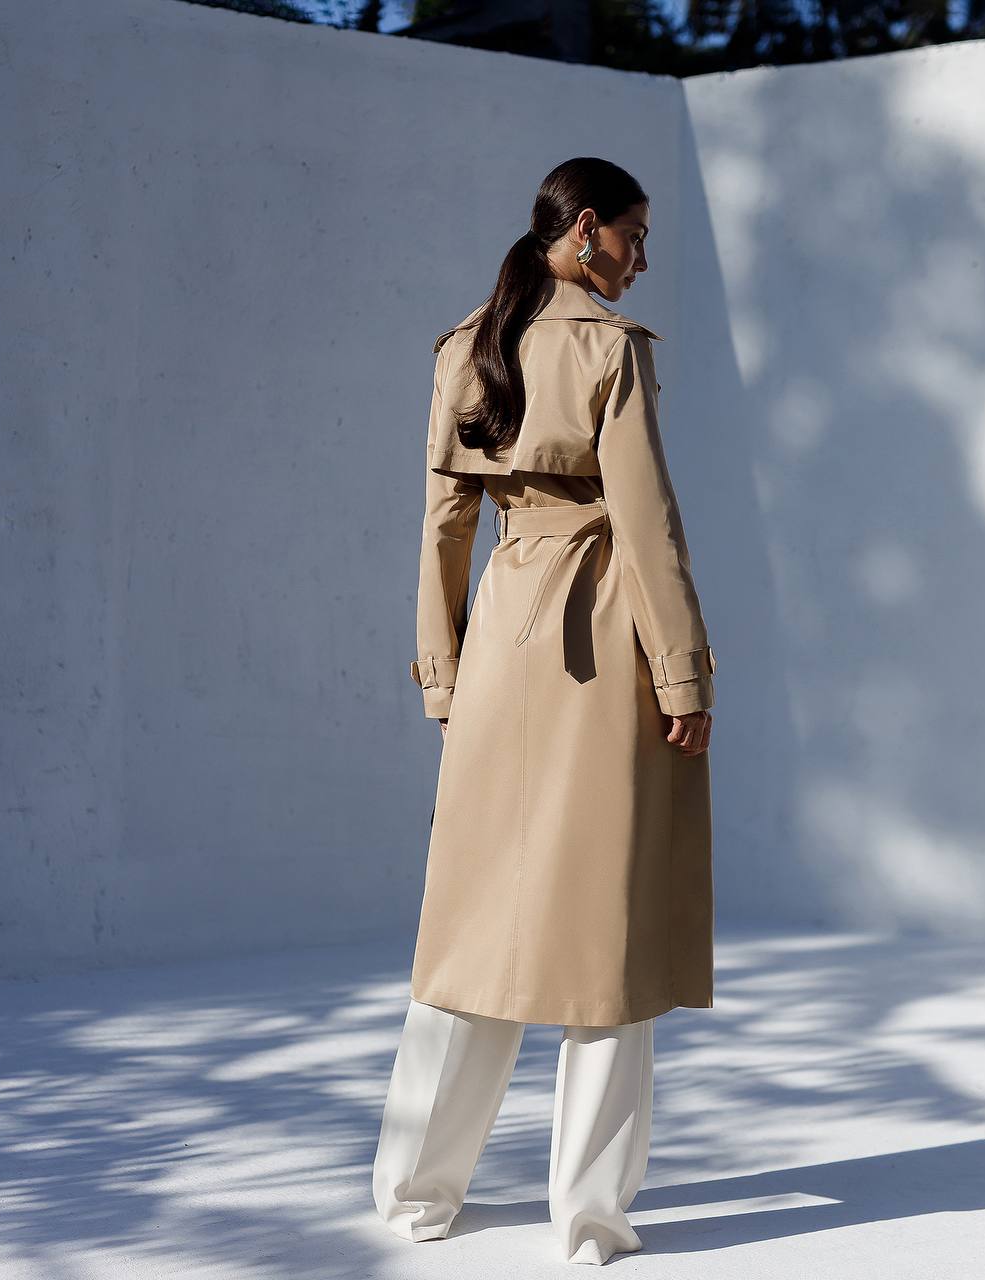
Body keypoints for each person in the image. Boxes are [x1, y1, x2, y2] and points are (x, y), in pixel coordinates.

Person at [373, 156, 716, 1266]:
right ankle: (586, 1221)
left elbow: (439, 528)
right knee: (604, 928)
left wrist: (443, 675)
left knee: (470, 923)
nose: (641, 256)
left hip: (499, 640)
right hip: (600, 636)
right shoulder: (607, 350)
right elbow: (647, 522)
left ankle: (416, 1195)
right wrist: (683, 675)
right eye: (632, 234)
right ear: (582, 230)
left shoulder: (461, 345)